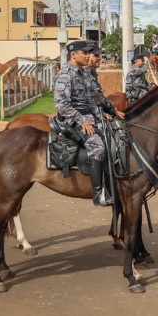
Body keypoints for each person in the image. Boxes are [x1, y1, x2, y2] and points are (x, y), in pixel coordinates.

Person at [53, 40, 111, 206]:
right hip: (72, 121)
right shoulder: (65, 75)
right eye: (84, 53)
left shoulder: (81, 73)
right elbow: (61, 104)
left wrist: (100, 115)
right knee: (98, 147)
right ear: (73, 55)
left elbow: (89, 102)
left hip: (87, 118)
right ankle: (98, 193)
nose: (87, 56)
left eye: (88, 53)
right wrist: (82, 120)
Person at [84, 42, 125, 120]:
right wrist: (114, 110)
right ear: (87, 56)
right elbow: (97, 97)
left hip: (96, 110)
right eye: (95, 55)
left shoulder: (91, 71)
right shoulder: (84, 72)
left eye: (99, 55)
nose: (99, 58)